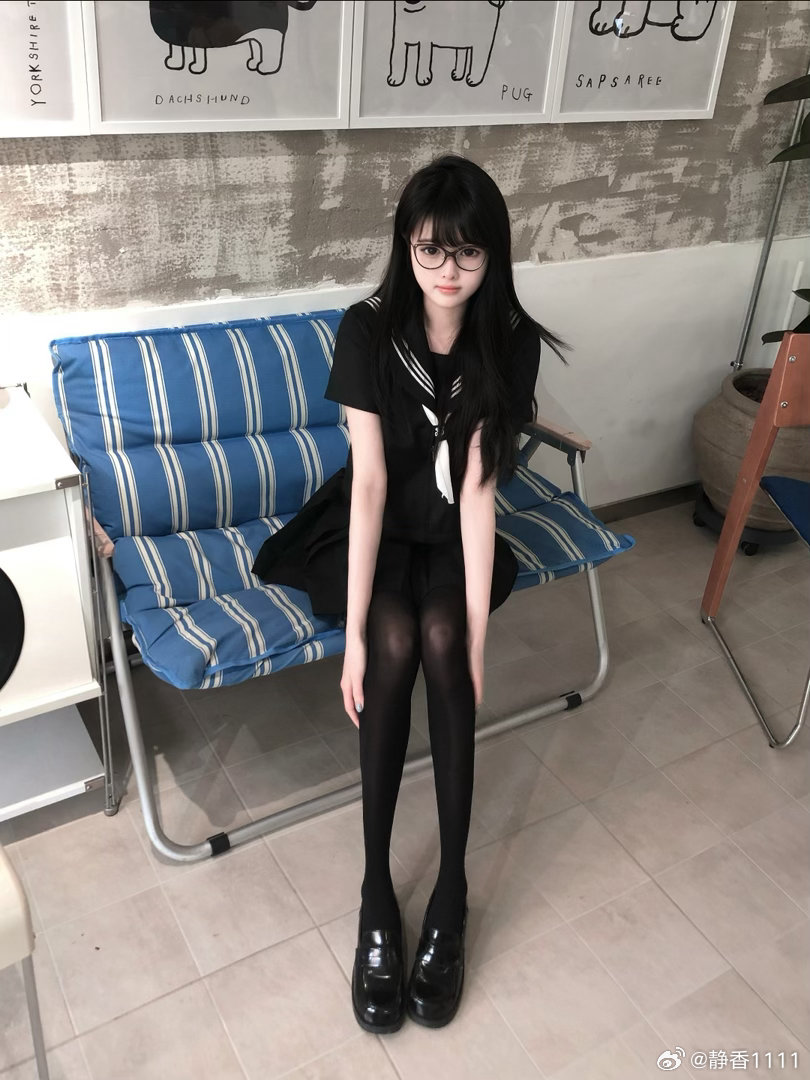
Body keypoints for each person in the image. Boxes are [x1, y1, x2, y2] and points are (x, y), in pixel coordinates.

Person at [252, 154, 566, 1032]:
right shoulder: (366, 330)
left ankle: (452, 895)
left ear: (493, 253)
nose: (447, 270)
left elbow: (478, 490)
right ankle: (376, 898)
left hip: (453, 527)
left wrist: (477, 644)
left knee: (444, 644)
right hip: (378, 528)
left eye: (467, 252)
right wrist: (351, 635)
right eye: (431, 251)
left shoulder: (509, 342)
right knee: (392, 641)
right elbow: (369, 486)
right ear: (406, 246)